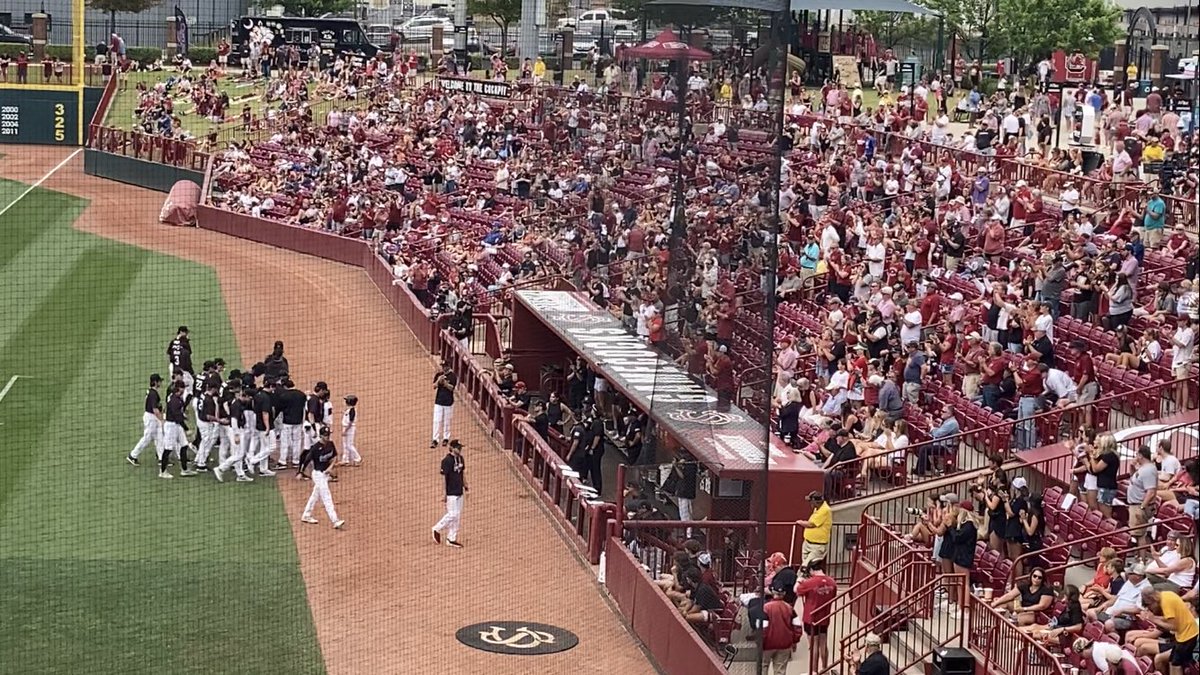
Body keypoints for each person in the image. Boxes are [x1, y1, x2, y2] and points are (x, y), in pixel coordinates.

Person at [1136, 587, 1198, 675]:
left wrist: (1153, 619)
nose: (1150, 608)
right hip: (1183, 635)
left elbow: (1173, 626)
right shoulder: (1166, 595)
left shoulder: (1166, 603)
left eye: (1149, 605)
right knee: (1173, 662)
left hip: (1188, 636)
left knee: (1176, 664)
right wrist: (1155, 618)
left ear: (1152, 599)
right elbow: (1169, 619)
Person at [794, 559, 838, 672]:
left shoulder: (809, 583)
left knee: (813, 646)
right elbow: (833, 596)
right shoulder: (832, 582)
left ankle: (813, 670)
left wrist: (800, 579)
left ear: (812, 570)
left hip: (811, 618)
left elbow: (796, 590)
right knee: (823, 643)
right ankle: (824, 668)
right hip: (825, 617)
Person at [297, 426, 344, 529]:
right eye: (326, 435)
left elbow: (335, 457)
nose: (328, 437)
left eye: (329, 435)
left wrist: (330, 468)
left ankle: (306, 515)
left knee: (315, 495)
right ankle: (335, 520)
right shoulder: (315, 448)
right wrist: (300, 472)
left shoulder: (331, 445)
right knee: (327, 497)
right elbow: (307, 460)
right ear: (321, 435)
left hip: (325, 475)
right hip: (318, 475)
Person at [1087, 562, 1151, 631]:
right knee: (1090, 612)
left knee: (1109, 624)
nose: (1127, 574)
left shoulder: (1146, 589)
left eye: (1130, 573)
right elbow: (1117, 598)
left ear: (1138, 576)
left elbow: (1139, 609)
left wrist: (1122, 610)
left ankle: (1111, 639)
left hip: (1126, 618)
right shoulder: (1129, 582)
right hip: (1112, 612)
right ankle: (1096, 634)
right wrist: (1103, 606)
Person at [990, 565, 1056, 625]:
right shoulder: (1025, 584)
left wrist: (1024, 609)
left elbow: (1042, 606)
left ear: (1043, 579)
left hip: (1035, 613)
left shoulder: (1047, 589)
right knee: (1001, 604)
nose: (1036, 579)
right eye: (1034, 576)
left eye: (1039, 577)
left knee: (1019, 618)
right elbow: (1010, 595)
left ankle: (1013, 633)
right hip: (1022, 606)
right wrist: (996, 603)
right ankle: (996, 624)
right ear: (1031, 576)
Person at [431, 439, 467, 548]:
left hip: (459, 491)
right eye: (457, 447)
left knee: (457, 516)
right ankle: (436, 528)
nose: (459, 449)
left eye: (460, 447)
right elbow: (444, 479)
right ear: (451, 448)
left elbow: (462, 474)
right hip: (450, 491)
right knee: (453, 514)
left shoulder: (461, 459)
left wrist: (466, 487)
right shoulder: (446, 461)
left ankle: (451, 538)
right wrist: (445, 494)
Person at [760, 586, 800, 675]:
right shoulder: (790, 608)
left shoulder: (766, 608)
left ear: (772, 593)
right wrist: (794, 641)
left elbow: (763, 628)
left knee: (763, 667)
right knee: (780, 670)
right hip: (784, 644)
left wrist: (761, 642)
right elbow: (797, 626)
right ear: (784, 594)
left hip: (768, 644)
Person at [127, 374, 164, 466]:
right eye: (159, 381)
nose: (160, 382)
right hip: (151, 417)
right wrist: (162, 420)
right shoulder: (153, 394)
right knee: (147, 438)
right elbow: (155, 410)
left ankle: (161, 458)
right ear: (155, 382)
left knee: (159, 436)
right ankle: (132, 455)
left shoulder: (151, 391)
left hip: (151, 416)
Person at [795, 491, 832, 567]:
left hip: (817, 545)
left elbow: (811, 524)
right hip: (808, 543)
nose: (810, 503)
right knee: (806, 566)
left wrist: (800, 522)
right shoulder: (817, 508)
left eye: (811, 501)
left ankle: (801, 578)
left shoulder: (825, 510)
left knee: (806, 567)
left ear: (816, 502)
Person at [431, 361, 457, 448]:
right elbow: (434, 386)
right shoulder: (439, 374)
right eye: (442, 366)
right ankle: (435, 440)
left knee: (447, 421)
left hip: (448, 402)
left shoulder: (453, 376)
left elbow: (452, 388)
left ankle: (446, 438)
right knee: (437, 421)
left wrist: (445, 383)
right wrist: (439, 380)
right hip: (438, 401)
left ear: (448, 366)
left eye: (445, 366)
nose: (443, 368)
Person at [340, 394, 361, 465]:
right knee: (345, 445)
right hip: (347, 428)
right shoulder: (349, 410)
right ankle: (345, 460)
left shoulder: (352, 411)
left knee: (349, 445)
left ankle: (357, 458)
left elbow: (350, 422)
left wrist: (345, 431)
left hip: (349, 429)